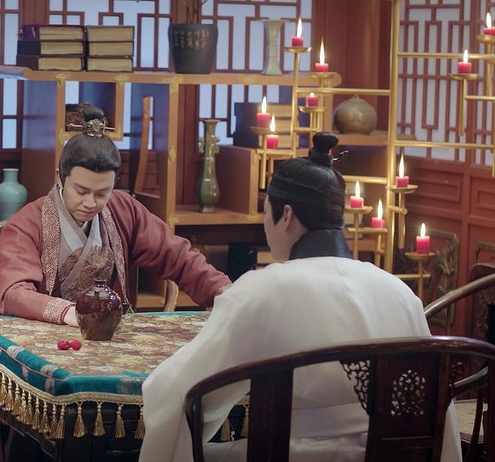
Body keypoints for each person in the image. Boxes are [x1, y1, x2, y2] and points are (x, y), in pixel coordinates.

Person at [139, 132, 461, 462]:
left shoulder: (262, 290)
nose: (265, 224)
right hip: (390, 455)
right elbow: (433, 399)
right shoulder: (399, 292)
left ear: (287, 215)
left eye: (266, 212)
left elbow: (183, 389)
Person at [0, 106, 233, 325]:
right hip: (50, 333)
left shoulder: (123, 209)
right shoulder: (25, 224)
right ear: (60, 177)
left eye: (102, 193)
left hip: (110, 332)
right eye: (81, 191)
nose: (91, 203)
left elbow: (178, 258)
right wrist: (69, 313)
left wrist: (227, 293)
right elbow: (15, 293)